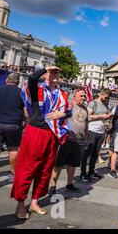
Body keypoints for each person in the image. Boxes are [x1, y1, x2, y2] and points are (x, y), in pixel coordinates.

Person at [12, 66, 71, 219]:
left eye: (58, 72)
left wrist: (63, 113)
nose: (56, 74)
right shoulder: (37, 89)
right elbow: (31, 78)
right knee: (27, 168)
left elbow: (69, 111)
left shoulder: (63, 94)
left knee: (45, 170)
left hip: (52, 135)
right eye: (53, 72)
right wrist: (46, 68)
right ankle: (20, 203)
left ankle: (34, 201)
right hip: (36, 132)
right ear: (45, 76)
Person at [49, 88, 89, 194]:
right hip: (66, 140)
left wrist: (85, 137)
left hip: (79, 142)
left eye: (84, 96)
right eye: (81, 96)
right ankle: (52, 186)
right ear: (74, 96)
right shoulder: (68, 106)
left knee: (73, 164)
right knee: (59, 164)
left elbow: (86, 124)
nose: (84, 98)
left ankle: (69, 184)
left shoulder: (85, 109)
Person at [80, 88, 112, 182]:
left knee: (95, 154)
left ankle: (91, 172)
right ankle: (83, 173)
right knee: (87, 153)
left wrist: (107, 118)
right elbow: (88, 117)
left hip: (101, 132)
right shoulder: (93, 103)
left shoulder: (105, 104)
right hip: (92, 130)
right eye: (106, 97)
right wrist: (102, 116)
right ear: (101, 94)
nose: (107, 99)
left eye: (108, 98)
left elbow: (104, 116)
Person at [0, 73, 25, 183]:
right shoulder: (21, 93)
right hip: (14, 125)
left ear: (6, 80)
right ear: (18, 82)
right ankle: (13, 173)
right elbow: (26, 110)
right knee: (13, 150)